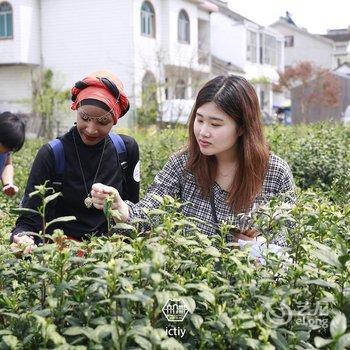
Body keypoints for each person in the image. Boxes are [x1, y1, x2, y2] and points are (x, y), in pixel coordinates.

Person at [91, 75, 296, 244]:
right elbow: (147, 213)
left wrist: (257, 247)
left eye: (215, 124)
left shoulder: (274, 172)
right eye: (199, 120)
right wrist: (121, 208)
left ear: (242, 127)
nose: (203, 132)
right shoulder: (184, 163)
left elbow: (289, 240)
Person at [10, 70, 140, 247]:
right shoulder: (52, 154)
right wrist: (23, 237)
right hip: (63, 255)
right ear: (76, 109)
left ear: (115, 120)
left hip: (110, 254)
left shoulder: (126, 150)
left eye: (102, 122)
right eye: (85, 118)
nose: (91, 129)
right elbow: (28, 220)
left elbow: (135, 211)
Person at [0, 112, 26, 197]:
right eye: (6, 147)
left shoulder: (5, 151)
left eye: (10, 150)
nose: (7, 152)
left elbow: (7, 164)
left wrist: (8, 184)